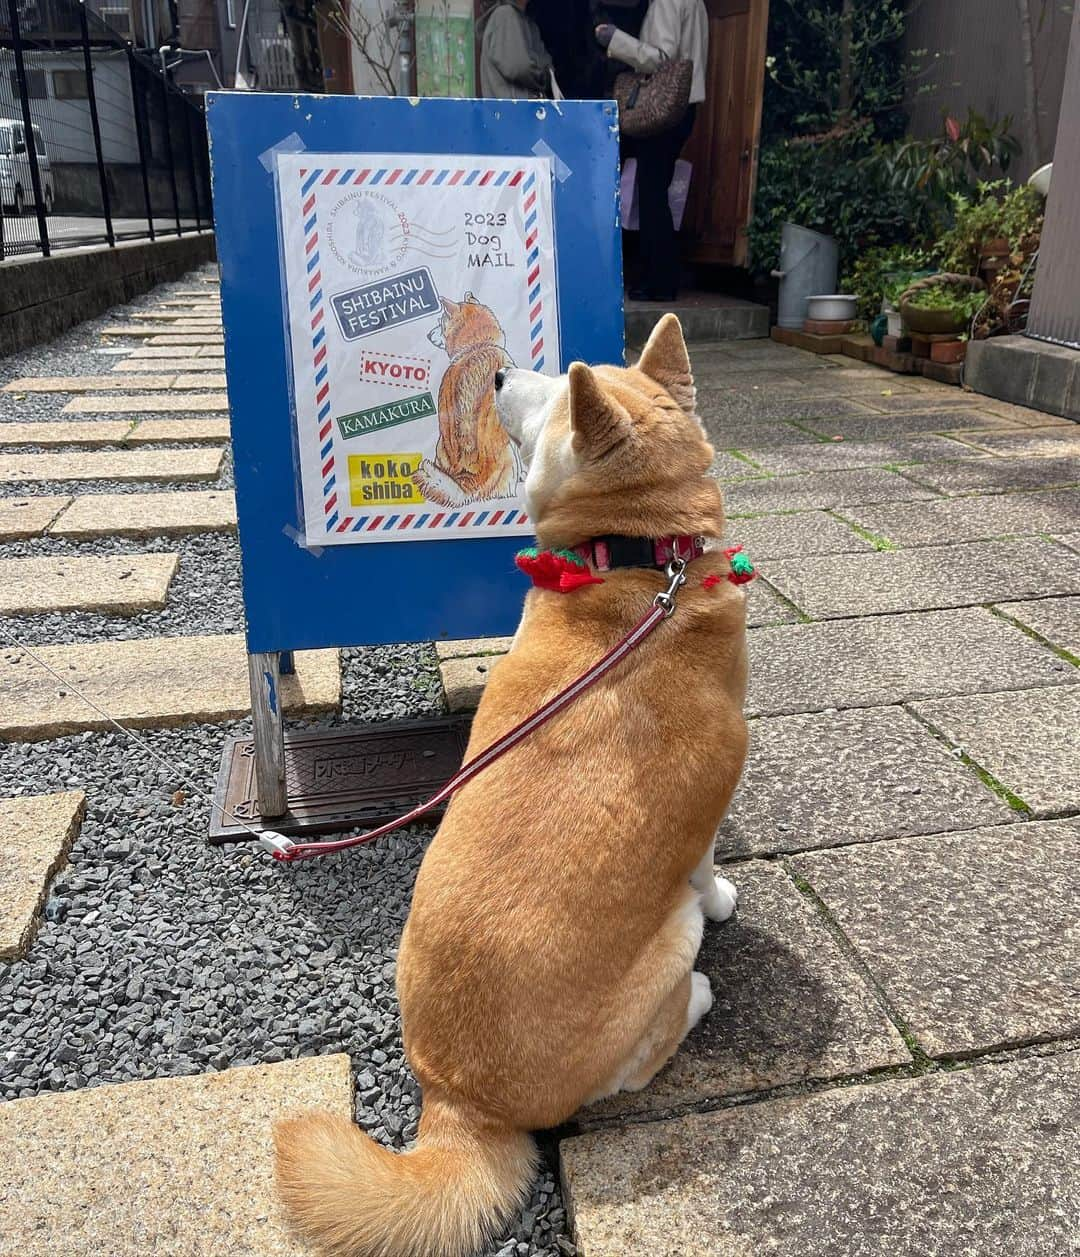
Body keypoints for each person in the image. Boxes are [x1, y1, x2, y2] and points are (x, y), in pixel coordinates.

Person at [596, 0, 708, 300]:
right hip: (683, 105)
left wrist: (615, 39)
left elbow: (659, 59)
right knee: (654, 190)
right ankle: (660, 278)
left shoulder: (666, 2)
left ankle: (659, 282)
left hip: (663, 104)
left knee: (651, 193)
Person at [480, 0, 555, 101]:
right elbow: (518, 67)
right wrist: (545, 75)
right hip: (512, 111)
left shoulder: (526, 21)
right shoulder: (505, 14)